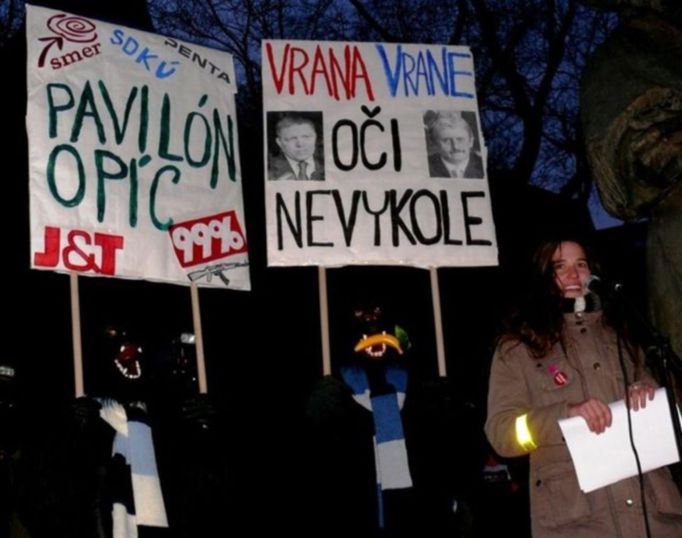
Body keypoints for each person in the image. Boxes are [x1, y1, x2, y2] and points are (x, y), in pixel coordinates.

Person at [485, 238, 682, 537]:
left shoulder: (625, 334)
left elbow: (673, 414)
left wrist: (649, 392)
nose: (574, 275)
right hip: (579, 521)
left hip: (654, 518)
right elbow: (501, 433)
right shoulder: (517, 348)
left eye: (581, 264)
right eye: (559, 267)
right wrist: (565, 417)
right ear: (542, 278)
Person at [426, 112, 484, 179]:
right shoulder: (426, 167)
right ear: (435, 144)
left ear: (471, 141)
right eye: (446, 140)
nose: (455, 146)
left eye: (460, 139)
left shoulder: (483, 165)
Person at [268, 113, 324, 181]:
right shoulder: (268, 171)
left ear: (315, 137)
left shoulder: (328, 164)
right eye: (292, 138)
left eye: (306, 137)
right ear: (279, 142)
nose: (300, 144)